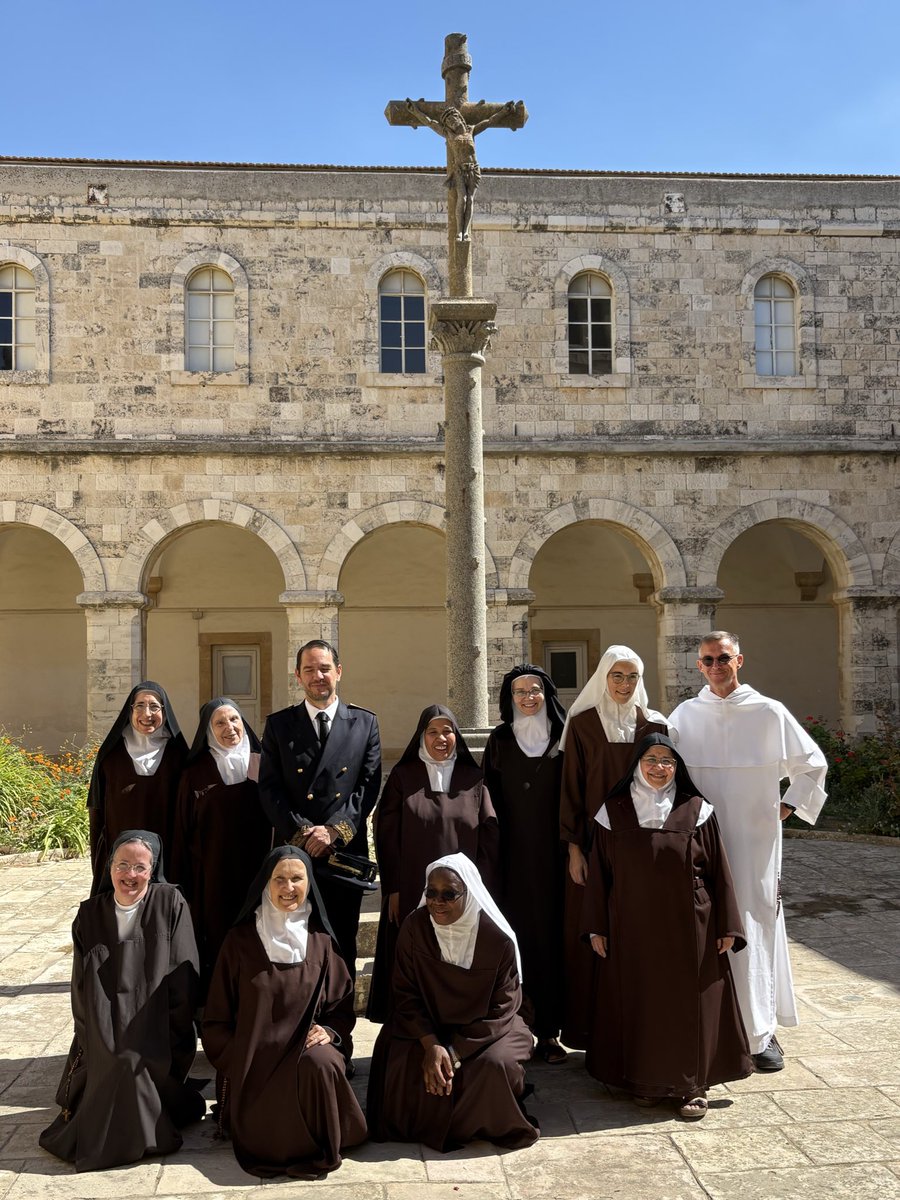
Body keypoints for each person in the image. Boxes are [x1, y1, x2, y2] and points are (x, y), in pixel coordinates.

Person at [668, 631, 828, 1072]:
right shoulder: (685, 714)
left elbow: (812, 763)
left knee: (755, 919)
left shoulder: (769, 711)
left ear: (740, 660)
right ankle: (709, 1027)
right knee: (705, 921)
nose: (716, 666)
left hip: (756, 838)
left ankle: (759, 1031)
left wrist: (787, 805)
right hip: (702, 837)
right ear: (698, 666)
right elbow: (662, 767)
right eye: (707, 660)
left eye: (723, 658)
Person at [581, 734, 753, 1118]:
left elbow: (719, 873)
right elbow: (598, 878)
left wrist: (727, 925)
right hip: (631, 925)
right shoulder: (613, 812)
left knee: (686, 1004)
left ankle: (692, 1085)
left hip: (690, 925)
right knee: (641, 1001)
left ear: (678, 768)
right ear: (636, 765)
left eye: (668, 761)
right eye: (651, 759)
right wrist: (596, 927)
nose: (659, 767)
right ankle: (644, 1081)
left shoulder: (697, 810)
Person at [39, 830, 205, 1172]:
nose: (131, 875)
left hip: (155, 1017)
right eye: (123, 865)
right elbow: (81, 987)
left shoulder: (170, 902)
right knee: (113, 1056)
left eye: (140, 867)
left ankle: (139, 1136)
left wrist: (172, 1028)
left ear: (153, 868)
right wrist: (91, 1032)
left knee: (130, 1059)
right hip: (103, 1018)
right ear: (109, 868)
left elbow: (183, 976)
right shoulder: (89, 913)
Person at [202, 845, 367, 1179]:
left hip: (305, 1051)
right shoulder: (240, 941)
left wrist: (330, 1032)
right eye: (279, 879)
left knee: (322, 1062)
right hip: (254, 1056)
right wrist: (240, 1056)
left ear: (309, 884)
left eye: (297, 878)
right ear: (266, 883)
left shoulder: (321, 940)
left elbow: (341, 1006)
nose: (288, 888)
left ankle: (325, 1138)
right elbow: (217, 1019)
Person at [259, 640, 381, 1062]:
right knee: (298, 946)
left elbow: (367, 787)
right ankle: (292, 1037)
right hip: (297, 859)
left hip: (342, 857)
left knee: (342, 949)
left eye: (325, 668)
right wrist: (301, 831)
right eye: (309, 670)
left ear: (339, 672)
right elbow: (270, 789)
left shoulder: (364, 724)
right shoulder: (278, 725)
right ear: (298, 676)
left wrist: (335, 831)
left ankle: (339, 1040)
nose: (318, 676)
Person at [367, 853, 538, 1152]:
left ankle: (476, 1123)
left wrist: (454, 1052)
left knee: (494, 1065)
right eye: (430, 893)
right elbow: (405, 993)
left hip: (489, 1030)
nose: (437, 901)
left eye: (449, 894)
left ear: (468, 893)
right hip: (430, 1024)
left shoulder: (497, 939)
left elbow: (503, 1009)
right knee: (397, 1054)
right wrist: (431, 1044)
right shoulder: (414, 927)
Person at [558, 645, 667, 1048]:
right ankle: (594, 1028)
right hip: (593, 844)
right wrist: (574, 849)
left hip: (641, 844)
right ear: (603, 678)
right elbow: (570, 790)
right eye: (617, 676)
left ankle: (642, 1020)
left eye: (632, 677)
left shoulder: (654, 724)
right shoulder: (583, 724)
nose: (624, 684)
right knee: (594, 930)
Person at [367, 703, 498, 1023]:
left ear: (457, 737)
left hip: (462, 895)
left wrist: (479, 886)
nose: (441, 738)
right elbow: (386, 834)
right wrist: (393, 889)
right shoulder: (403, 776)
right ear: (421, 737)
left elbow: (490, 833)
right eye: (433, 732)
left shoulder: (473, 778)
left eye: (448, 731)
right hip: (413, 889)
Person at [482, 665, 567, 1064]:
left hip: (558, 859)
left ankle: (550, 1032)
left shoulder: (565, 737)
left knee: (553, 941)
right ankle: (518, 1029)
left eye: (535, 690)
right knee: (518, 941)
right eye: (520, 692)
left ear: (547, 694)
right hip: (512, 860)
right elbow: (487, 799)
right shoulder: (499, 740)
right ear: (509, 698)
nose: (528, 697)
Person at [170, 697, 274, 999]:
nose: (229, 728)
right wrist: (183, 885)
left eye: (235, 720)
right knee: (218, 941)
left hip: (260, 873)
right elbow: (182, 831)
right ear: (207, 730)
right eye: (220, 722)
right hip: (213, 876)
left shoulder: (261, 763)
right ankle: (219, 1009)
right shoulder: (195, 773)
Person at [86, 681, 187, 895]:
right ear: (129, 711)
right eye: (139, 706)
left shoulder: (178, 756)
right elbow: (96, 812)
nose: (146, 713)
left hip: (169, 856)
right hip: (122, 856)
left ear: (164, 711)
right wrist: (99, 857)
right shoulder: (111, 757)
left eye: (154, 706)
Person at [404, 98, 518, 241]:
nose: (452, 123)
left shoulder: (472, 130)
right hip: (459, 171)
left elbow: (490, 121)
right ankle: (459, 232)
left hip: (473, 170)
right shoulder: (449, 134)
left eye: (453, 119)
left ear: (459, 118)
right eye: (449, 122)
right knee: (462, 199)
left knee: (470, 200)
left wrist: (503, 112)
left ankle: (466, 232)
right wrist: (415, 111)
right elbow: (430, 122)